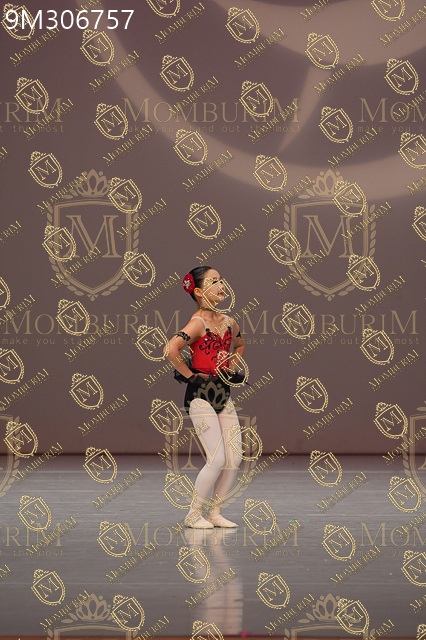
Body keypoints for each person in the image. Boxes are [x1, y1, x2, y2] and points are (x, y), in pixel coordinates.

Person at [164, 266, 247, 529]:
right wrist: (190, 376)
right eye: (213, 282)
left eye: (221, 280)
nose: (221, 285)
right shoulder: (198, 323)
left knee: (234, 457)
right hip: (200, 396)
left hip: (223, 394)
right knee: (217, 458)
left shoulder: (229, 321)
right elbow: (171, 348)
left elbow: (240, 344)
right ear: (199, 292)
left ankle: (215, 512)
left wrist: (231, 366)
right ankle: (193, 514)